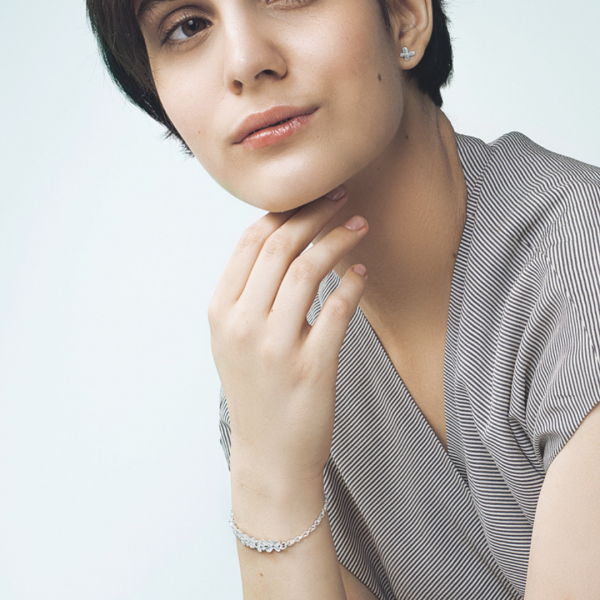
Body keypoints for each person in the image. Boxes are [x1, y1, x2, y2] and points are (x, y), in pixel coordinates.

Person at [86, 0, 600, 597]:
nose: (246, 62)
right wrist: (268, 476)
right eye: (187, 26)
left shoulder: (579, 259)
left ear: (404, 16)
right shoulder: (275, 369)